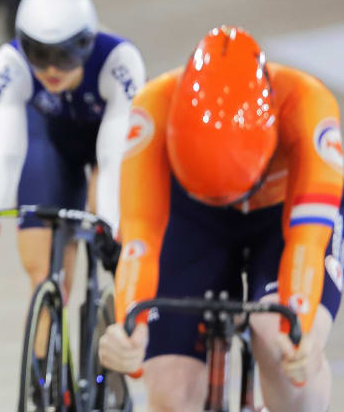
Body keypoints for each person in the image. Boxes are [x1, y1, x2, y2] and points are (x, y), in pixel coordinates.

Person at [99, 26, 343, 412]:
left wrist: (300, 331)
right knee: (171, 396)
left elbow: (307, 243)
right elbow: (140, 237)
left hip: (285, 217)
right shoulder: (152, 108)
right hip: (194, 218)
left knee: (289, 359)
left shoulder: (309, 106)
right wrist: (131, 326)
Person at [0, 0, 142, 331]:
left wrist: (110, 224)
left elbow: (110, 161)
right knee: (44, 273)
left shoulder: (119, 62)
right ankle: (43, 378)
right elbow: (8, 158)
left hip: (108, 146)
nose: (52, 70)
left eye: (65, 55)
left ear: (87, 45)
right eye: (40, 55)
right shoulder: (11, 63)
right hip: (49, 143)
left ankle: (122, 337)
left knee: (121, 242)